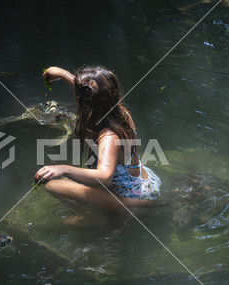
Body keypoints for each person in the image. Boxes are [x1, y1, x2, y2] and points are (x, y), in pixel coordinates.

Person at [34, 65, 161, 212]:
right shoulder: (120, 112)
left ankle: (104, 218)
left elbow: (104, 177)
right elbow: (92, 91)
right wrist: (62, 74)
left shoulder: (108, 135)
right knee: (72, 182)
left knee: (54, 185)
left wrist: (64, 169)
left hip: (132, 198)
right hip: (145, 184)